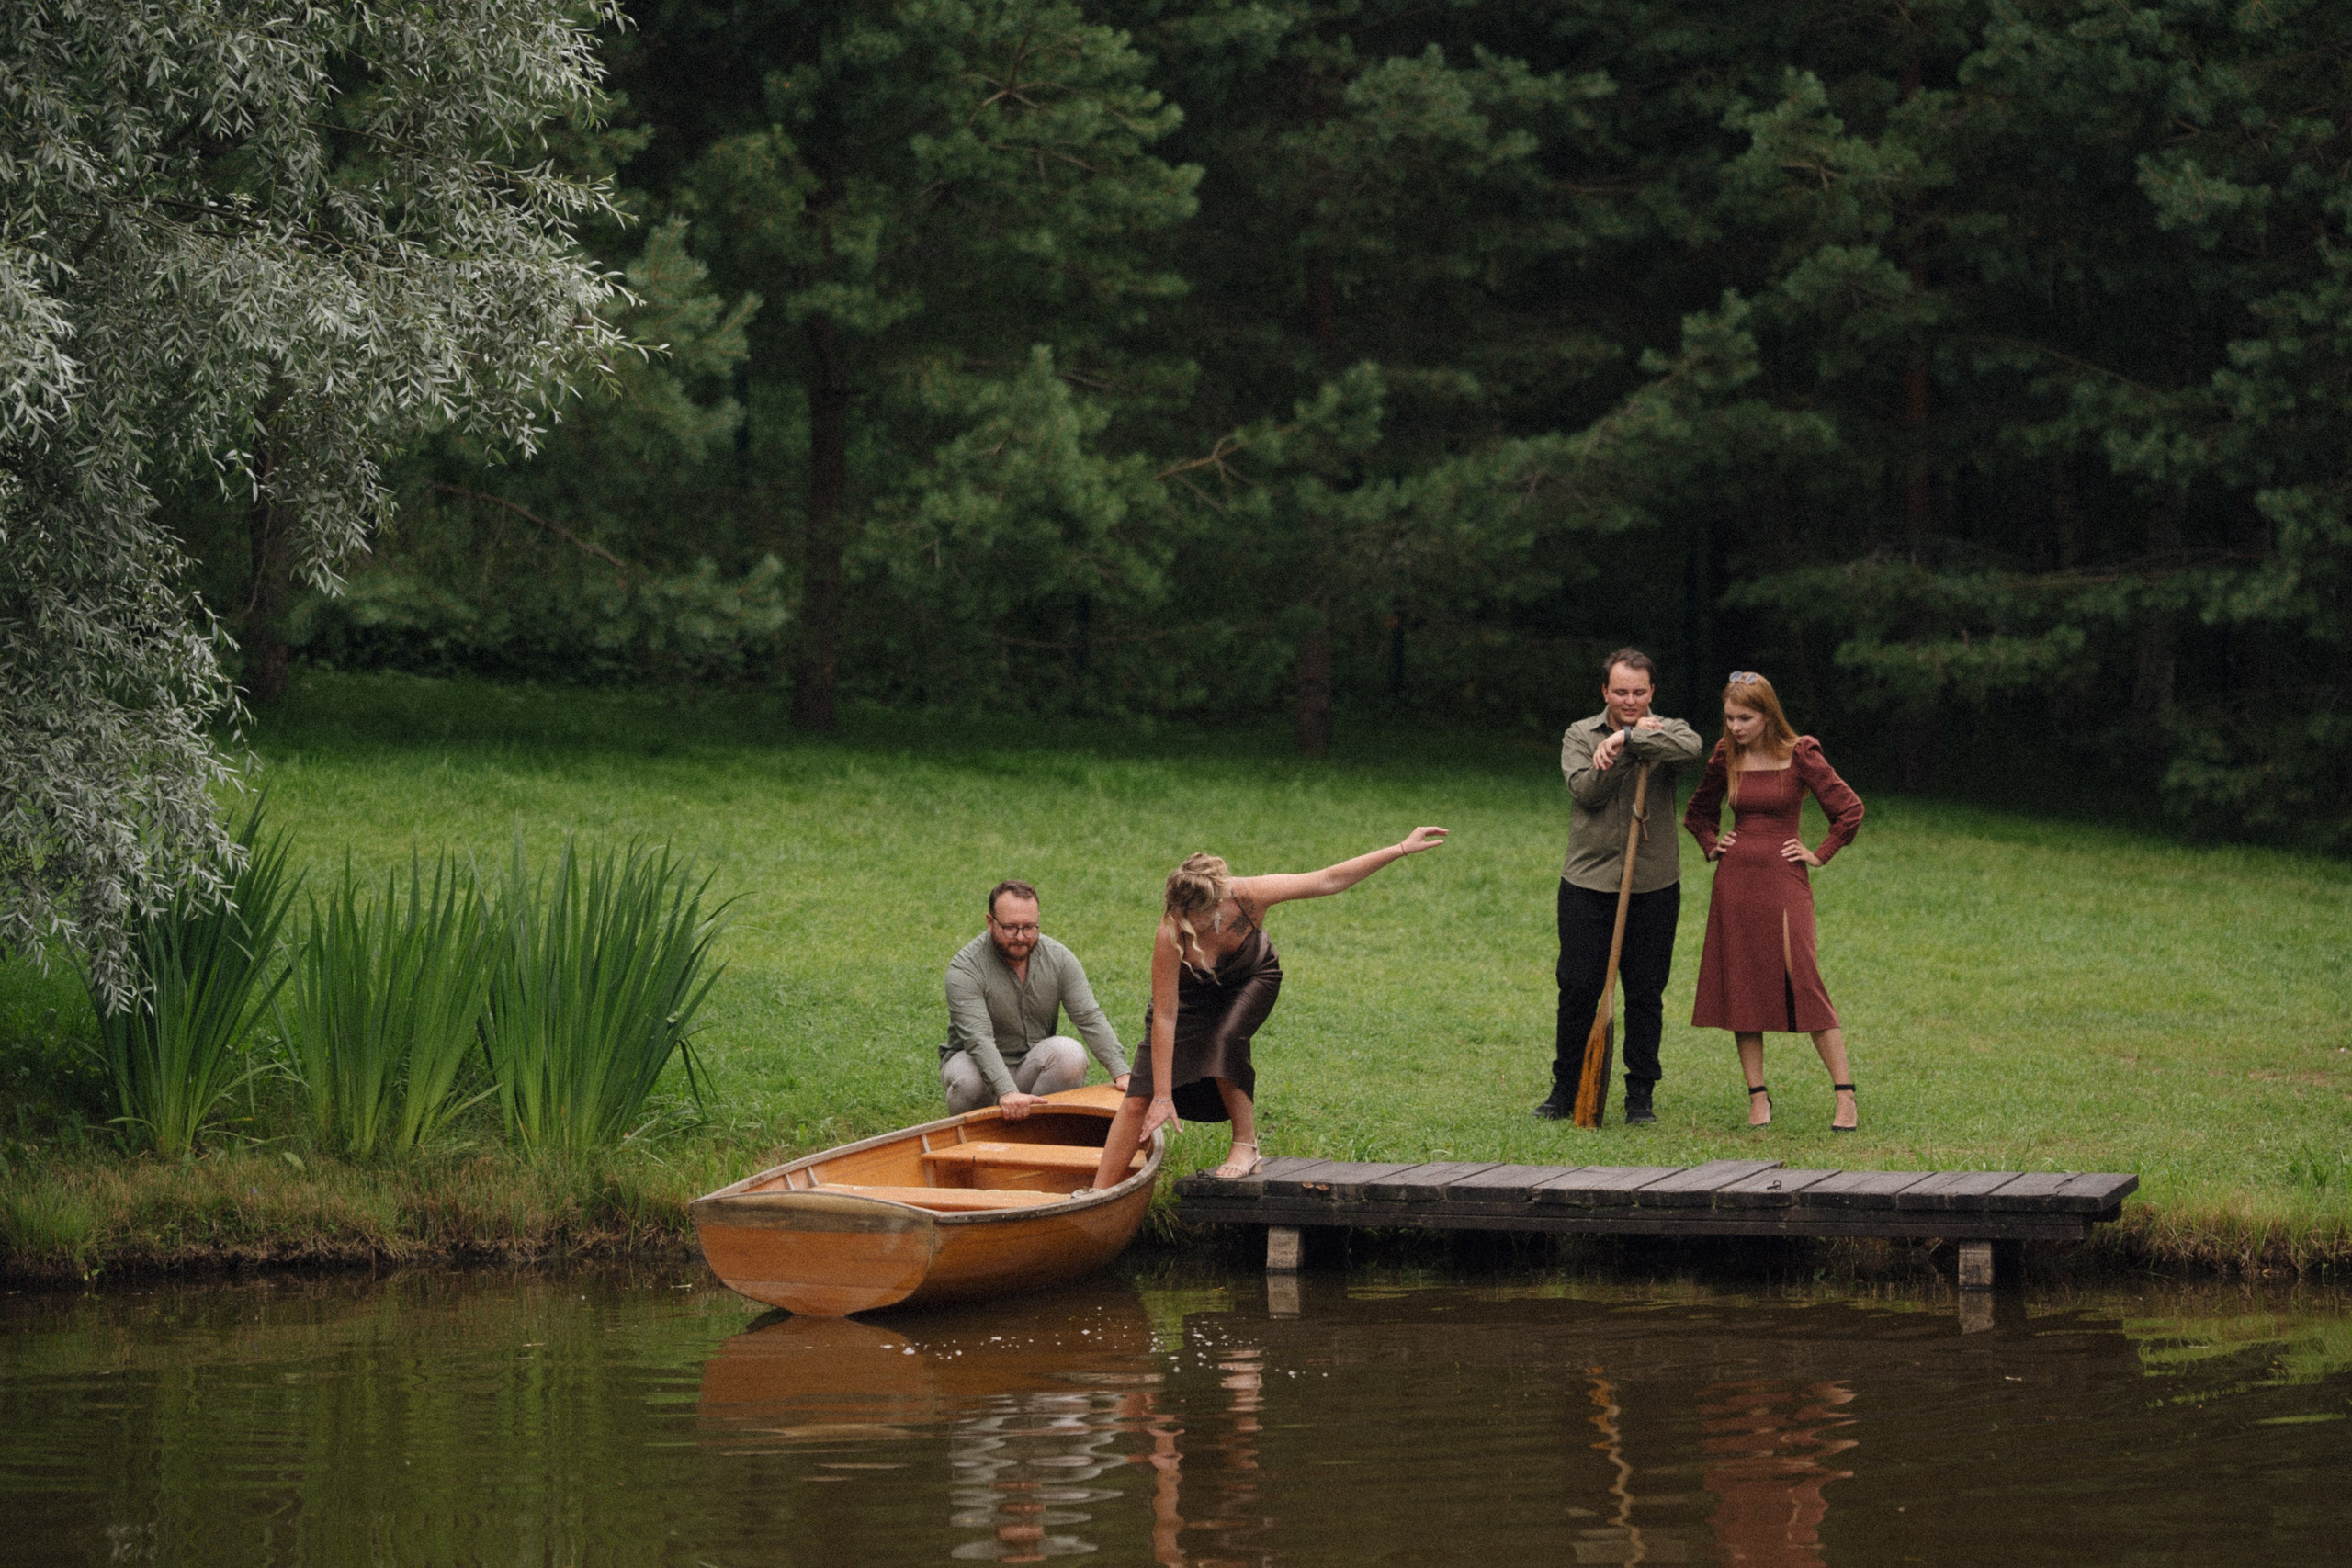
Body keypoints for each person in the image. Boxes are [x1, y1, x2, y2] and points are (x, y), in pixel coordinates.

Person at [1086, 828, 1450, 1188]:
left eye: (1192, 917)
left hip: (1250, 977)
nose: (1183, 923)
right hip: (1193, 996)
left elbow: (1327, 880)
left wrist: (1401, 848)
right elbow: (1165, 1016)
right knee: (1138, 1097)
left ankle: (1246, 1146)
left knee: (1226, 1039)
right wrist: (1163, 1096)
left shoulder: (1249, 895)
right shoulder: (1170, 931)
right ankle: (1097, 1193)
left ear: (1216, 903)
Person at [1681, 671, 1866, 1131]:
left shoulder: (1800, 752)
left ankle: (1845, 1096)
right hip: (1735, 882)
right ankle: (1758, 1097)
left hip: (1784, 881)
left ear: (1767, 715)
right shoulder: (1726, 754)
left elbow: (1849, 810)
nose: (1736, 726)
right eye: (1729, 717)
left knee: (1804, 978)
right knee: (1742, 983)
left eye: (1745, 718)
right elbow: (1697, 812)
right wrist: (1711, 843)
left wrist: (1819, 853)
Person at [1539, 648, 1705, 1123]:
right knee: (1577, 987)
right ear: (1605, 692)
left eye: (1638, 692)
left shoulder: (1669, 729)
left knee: (1645, 991)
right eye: (1620, 692)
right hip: (1588, 882)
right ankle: (1566, 1089)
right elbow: (1586, 791)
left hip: (1653, 884)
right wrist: (1620, 752)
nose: (1630, 700)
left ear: (1651, 692)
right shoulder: (1579, 734)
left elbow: (1691, 749)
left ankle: (1640, 1095)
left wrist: (1629, 738)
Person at [939, 880, 1129, 1118]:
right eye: (1010, 928)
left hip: (1030, 1063)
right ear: (990, 922)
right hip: (974, 1062)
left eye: (1029, 927)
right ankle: (976, 1134)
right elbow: (978, 1039)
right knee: (968, 1082)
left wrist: (1122, 1072)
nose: (1020, 937)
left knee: (1070, 1054)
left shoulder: (1059, 958)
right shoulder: (965, 968)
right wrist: (1007, 1091)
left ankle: (1041, 1128)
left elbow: (1089, 1017)